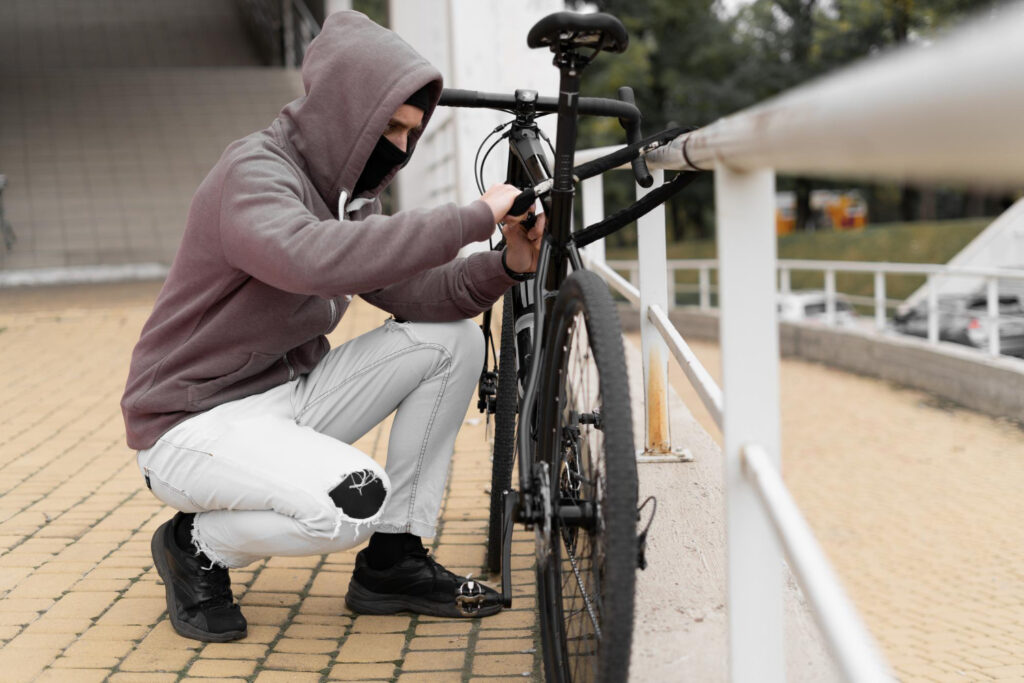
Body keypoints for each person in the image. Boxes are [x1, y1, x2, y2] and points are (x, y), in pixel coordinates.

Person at [121, 11, 543, 643]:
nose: (399, 147)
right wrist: (470, 216)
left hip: (283, 399)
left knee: (450, 340)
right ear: (347, 113)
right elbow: (308, 256)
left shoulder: (351, 202)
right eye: (389, 127)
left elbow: (421, 292)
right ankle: (195, 543)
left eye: (411, 132)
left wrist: (508, 262)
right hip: (190, 426)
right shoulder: (253, 173)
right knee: (354, 500)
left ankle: (393, 561)